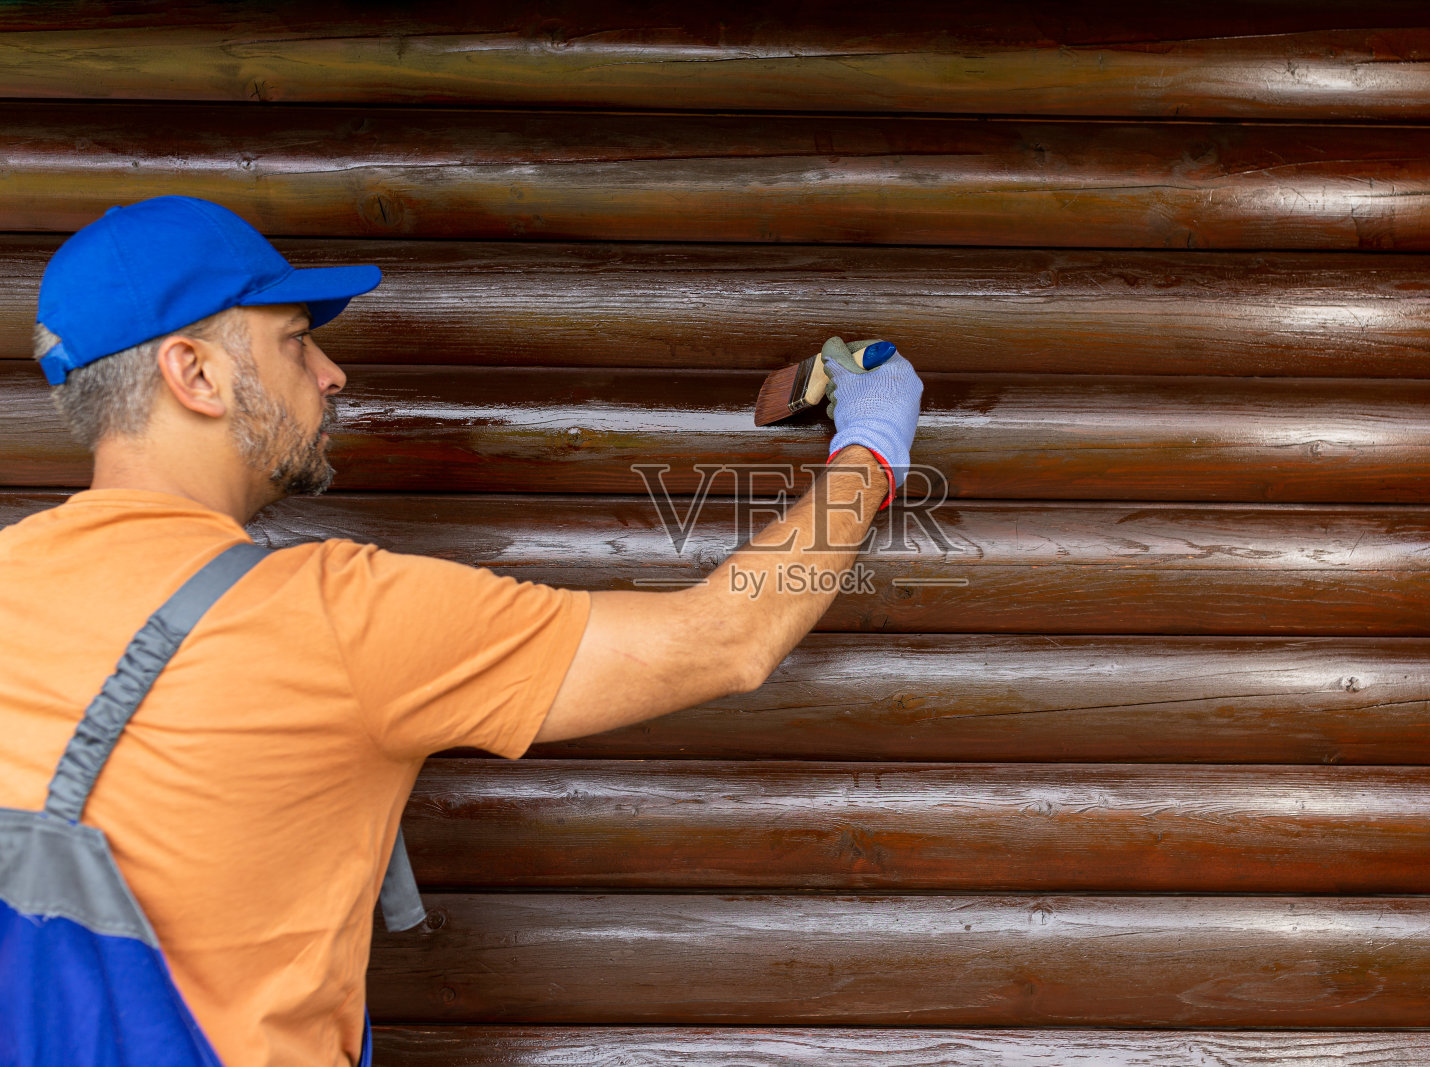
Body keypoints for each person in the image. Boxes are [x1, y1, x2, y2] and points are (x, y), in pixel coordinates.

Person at [0, 196, 922, 1067]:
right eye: (294, 343)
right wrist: (871, 450)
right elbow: (725, 639)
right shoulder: (331, 615)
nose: (331, 373)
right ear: (193, 373)